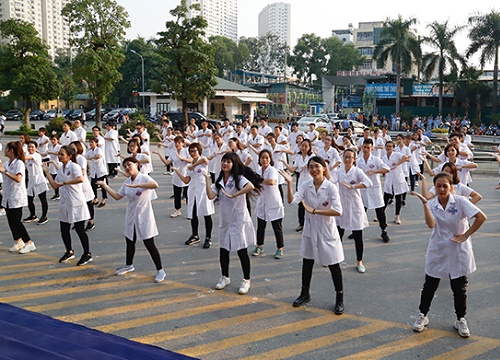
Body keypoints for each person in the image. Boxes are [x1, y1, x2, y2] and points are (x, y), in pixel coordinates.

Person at [411, 173, 487, 338]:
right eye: (438, 186)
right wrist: (425, 204)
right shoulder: (432, 203)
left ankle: (460, 319)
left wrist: (465, 235)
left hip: (457, 249)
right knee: (430, 284)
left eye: (445, 186)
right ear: (435, 187)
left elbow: (481, 217)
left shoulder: (460, 201)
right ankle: (423, 315)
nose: (442, 189)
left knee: (459, 287)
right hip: (438, 249)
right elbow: (431, 224)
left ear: (451, 186)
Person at [280, 156, 345, 314]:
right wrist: (289, 184)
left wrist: (315, 211)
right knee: (307, 261)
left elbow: (338, 211)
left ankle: (339, 298)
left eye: (317, 166)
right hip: (310, 229)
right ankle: (305, 293)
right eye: (311, 167)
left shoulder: (331, 187)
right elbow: (292, 200)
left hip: (326, 229)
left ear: (324, 168)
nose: (314, 170)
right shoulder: (305, 185)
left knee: (333, 264)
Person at [97, 157, 166, 283]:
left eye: (129, 165)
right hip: (131, 216)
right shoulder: (127, 182)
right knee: (130, 241)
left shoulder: (144, 178)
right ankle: (129, 265)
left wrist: (138, 185)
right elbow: (118, 196)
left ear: (136, 164)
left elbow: (155, 185)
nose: (127, 168)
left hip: (144, 215)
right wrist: (105, 186)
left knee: (149, 243)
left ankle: (160, 270)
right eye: (125, 166)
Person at [204, 152, 263, 295]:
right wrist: (207, 180)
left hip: (238, 219)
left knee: (241, 250)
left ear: (234, 164)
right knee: (223, 249)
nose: (225, 164)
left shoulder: (238, 178)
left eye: (228, 162)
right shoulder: (219, 180)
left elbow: (249, 186)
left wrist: (235, 194)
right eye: (223, 161)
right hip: (225, 220)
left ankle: (246, 279)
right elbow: (211, 196)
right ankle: (225, 277)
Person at [43, 145, 92, 265]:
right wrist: (47, 173)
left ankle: (87, 254)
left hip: (76, 202)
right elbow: (55, 185)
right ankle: (69, 251)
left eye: (62, 154)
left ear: (69, 156)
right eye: (59, 154)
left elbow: (80, 179)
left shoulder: (74, 166)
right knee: (64, 229)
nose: (59, 156)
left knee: (80, 229)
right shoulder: (61, 168)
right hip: (65, 202)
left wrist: (65, 182)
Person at [334, 149, 372, 273]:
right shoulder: (338, 172)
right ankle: (334, 258)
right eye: (346, 157)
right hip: (342, 206)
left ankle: (359, 261)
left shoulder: (357, 171)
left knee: (357, 236)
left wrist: (353, 186)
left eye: (350, 157)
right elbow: (330, 181)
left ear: (354, 159)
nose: (348, 160)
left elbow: (368, 183)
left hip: (355, 206)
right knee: (338, 234)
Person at [172, 142, 215, 248]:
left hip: (204, 191)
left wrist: (193, 165)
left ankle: (208, 238)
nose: (192, 153)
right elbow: (186, 181)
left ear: (199, 151)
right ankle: (195, 235)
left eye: (194, 151)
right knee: (193, 214)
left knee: (206, 214)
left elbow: (205, 160)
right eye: (190, 151)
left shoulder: (202, 160)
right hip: (193, 191)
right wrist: (177, 172)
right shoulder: (189, 166)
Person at [0, 141, 36, 254]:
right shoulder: (7, 163)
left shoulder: (19, 163)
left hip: (16, 196)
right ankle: (18, 240)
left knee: (17, 221)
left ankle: (29, 242)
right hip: (8, 196)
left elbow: (18, 178)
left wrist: (4, 171)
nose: (4, 151)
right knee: (10, 220)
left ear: (11, 151)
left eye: (6, 149)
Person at [252, 149, 285, 259]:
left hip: (273, 202)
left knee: (277, 227)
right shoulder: (259, 170)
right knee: (260, 226)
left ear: (270, 159)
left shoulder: (273, 170)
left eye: (267, 158)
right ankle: (259, 246)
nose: (265, 160)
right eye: (262, 157)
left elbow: (271, 182)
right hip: (262, 202)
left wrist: (258, 179)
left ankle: (280, 248)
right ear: (259, 159)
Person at [356, 139, 391, 242]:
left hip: (374, 188)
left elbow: (387, 169)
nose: (366, 149)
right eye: (364, 147)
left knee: (380, 211)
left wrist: (375, 171)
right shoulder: (358, 161)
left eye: (368, 148)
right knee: (360, 210)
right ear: (362, 148)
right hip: (363, 188)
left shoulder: (376, 160)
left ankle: (384, 231)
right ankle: (357, 230)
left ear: (372, 148)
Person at [280, 139, 314, 232]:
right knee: (301, 204)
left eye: (306, 146)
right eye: (302, 146)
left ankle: (311, 224)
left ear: (309, 147)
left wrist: (307, 167)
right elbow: (292, 169)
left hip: (311, 183)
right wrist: (284, 163)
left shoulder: (312, 157)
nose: (304, 148)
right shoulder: (298, 157)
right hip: (301, 183)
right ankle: (301, 224)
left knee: (311, 204)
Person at [153, 135, 190, 218]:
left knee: (188, 194)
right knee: (177, 193)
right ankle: (177, 210)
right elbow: (167, 162)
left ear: (183, 143)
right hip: (176, 175)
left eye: (179, 142)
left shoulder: (186, 151)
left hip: (186, 174)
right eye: (176, 142)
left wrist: (181, 158)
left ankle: (190, 211)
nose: (177, 144)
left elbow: (191, 160)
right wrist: (159, 154)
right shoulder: (173, 152)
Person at [70, 141, 96, 232]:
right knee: (79, 204)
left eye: (74, 148)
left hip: (83, 184)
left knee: (88, 204)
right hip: (75, 185)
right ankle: (80, 222)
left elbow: (83, 171)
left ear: (78, 148)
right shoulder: (70, 159)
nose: (72, 150)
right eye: (70, 148)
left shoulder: (81, 158)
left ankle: (91, 222)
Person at [382, 141, 410, 225]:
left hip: (398, 178)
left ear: (393, 148)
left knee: (398, 198)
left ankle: (397, 216)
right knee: (385, 197)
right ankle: (381, 214)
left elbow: (406, 157)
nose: (388, 148)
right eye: (387, 146)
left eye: (390, 146)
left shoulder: (397, 154)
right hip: (389, 179)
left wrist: (397, 164)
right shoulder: (383, 157)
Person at [24, 141, 49, 224]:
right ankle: (33, 215)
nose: (30, 148)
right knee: (29, 199)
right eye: (29, 147)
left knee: (43, 199)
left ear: (36, 148)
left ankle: (44, 216)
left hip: (39, 181)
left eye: (32, 147)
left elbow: (25, 158)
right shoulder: (27, 156)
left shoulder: (36, 155)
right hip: (31, 181)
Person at [86, 137, 108, 207]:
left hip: (101, 171)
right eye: (90, 142)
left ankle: (103, 200)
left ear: (96, 143)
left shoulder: (99, 149)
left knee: (103, 186)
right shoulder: (90, 151)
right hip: (94, 172)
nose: (90, 144)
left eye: (92, 142)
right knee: (93, 186)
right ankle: (95, 199)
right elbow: (85, 157)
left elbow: (98, 156)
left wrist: (91, 158)